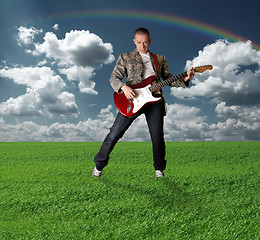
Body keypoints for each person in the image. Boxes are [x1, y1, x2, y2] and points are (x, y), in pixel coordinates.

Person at [92, 27, 194, 178]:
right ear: (134, 41)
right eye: (139, 42)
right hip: (132, 99)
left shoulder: (159, 59)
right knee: (114, 134)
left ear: (149, 41)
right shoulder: (125, 57)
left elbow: (168, 79)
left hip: (155, 100)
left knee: (157, 136)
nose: (142, 45)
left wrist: (185, 80)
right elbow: (114, 78)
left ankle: (159, 169)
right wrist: (123, 87)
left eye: (145, 42)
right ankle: (99, 166)